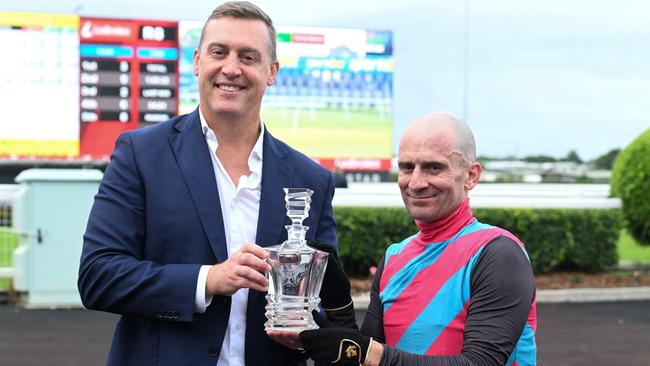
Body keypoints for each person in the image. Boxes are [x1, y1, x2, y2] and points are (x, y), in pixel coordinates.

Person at [77, 2, 338, 365]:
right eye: (219, 52)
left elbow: (328, 305)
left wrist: (308, 330)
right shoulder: (141, 154)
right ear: (198, 61)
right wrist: (208, 280)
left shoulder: (311, 179)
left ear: (271, 72)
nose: (231, 68)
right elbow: (98, 276)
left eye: (248, 56)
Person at [299, 112, 537, 365]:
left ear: (471, 175)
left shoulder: (498, 252)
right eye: (407, 167)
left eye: (434, 167)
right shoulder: (394, 256)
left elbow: (481, 362)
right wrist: (340, 308)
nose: (416, 182)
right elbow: (367, 356)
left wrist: (367, 354)